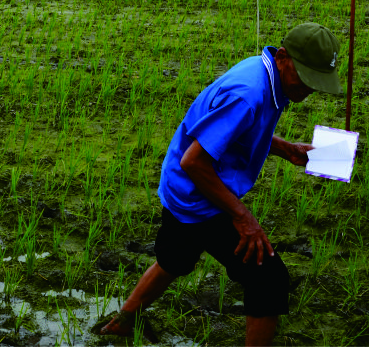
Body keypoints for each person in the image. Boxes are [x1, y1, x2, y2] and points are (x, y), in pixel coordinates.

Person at [99, 23, 343, 345]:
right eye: (305, 79)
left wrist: (288, 150)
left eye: (316, 83)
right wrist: (244, 218)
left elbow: (237, 133)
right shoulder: (248, 94)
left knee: (175, 259)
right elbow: (195, 161)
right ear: (283, 56)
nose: (307, 90)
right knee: (269, 279)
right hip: (198, 194)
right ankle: (125, 320)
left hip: (181, 189)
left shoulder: (266, 74)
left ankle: (123, 321)